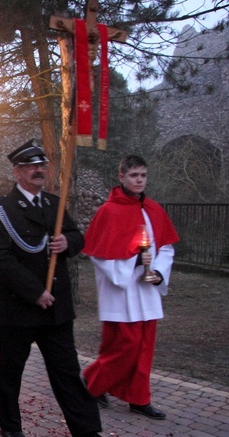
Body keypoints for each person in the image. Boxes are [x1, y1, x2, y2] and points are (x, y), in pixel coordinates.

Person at [0, 139, 119, 437]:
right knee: (11, 372)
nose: (38, 171)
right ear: (17, 172)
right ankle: (10, 425)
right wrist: (35, 292)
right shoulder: (1, 210)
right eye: (31, 166)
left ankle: (86, 434)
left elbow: (77, 236)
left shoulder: (54, 205)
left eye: (41, 165)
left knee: (67, 373)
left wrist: (66, 244)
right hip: (19, 308)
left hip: (55, 310)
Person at [81, 155, 179, 420]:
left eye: (143, 176)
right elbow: (98, 253)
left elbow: (167, 247)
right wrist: (131, 261)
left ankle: (139, 398)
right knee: (125, 345)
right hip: (121, 290)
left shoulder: (154, 209)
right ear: (121, 177)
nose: (139, 180)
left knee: (144, 345)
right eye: (134, 175)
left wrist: (157, 272)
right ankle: (91, 382)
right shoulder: (108, 211)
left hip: (147, 289)